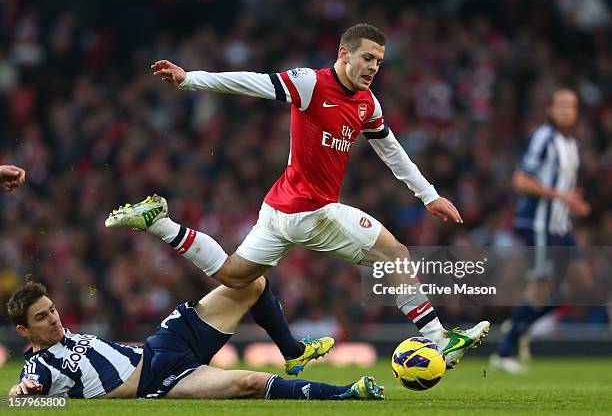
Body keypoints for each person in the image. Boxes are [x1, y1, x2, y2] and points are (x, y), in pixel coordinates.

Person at [107, 23, 489, 368]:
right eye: (367, 58)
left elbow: (390, 149)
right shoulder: (311, 83)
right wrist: (190, 79)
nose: (373, 67)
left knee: (233, 274)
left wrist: (428, 195)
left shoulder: (367, 104)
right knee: (396, 255)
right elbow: (252, 82)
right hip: (313, 212)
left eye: (379, 62)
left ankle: (160, 224)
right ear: (344, 54)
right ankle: (439, 338)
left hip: (278, 209)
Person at [7, 280, 384, 400]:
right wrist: (20, 395)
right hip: (161, 382)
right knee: (250, 382)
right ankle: (347, 393)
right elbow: (18, 400)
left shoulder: (65, 336)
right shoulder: (39, 367)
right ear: (23, 331)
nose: (53, 318)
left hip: (162, 344)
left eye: (52, 309)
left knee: (251, 283)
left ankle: (293, 352)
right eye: (42, 317)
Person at [490, 87, 593, 373]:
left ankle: (522, 322)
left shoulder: (571, 143)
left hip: (562, 225)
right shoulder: (543, 137)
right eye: (561, 105)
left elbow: (563, 188)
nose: (566, 111)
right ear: (550, 109)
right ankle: (504, 352)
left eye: (571, 106)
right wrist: (560, 197)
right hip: (539, 223)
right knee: (540, 285)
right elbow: (521, 180)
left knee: (582, 287)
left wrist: (574, 203)